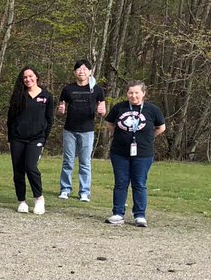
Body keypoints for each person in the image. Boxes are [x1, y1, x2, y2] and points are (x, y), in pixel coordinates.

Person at [104, 81, 165, 227]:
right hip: (119, 152)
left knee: (139, 183)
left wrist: (148, 138)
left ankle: (140, 215)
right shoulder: (119, 107)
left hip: (143, 153)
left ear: (143, 93)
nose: (134, 96)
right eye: (131, 93)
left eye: (137, 92)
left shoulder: (152, 109)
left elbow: (161, 128)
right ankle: (118, 213)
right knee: (120, 183)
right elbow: (109, 123)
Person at [7, 66, 55, 215]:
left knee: (31, 167)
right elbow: (10, 119)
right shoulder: (18, 95)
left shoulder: (47, 96)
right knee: (18, 170)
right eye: (25, 77)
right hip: (17, 138)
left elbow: (49, 120)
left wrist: (43, 138)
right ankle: (21, 200)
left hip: (36, 139)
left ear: (36, 77)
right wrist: (10, 138)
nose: (28, 79)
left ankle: (39, 198)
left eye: (30, 76)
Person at [57, 59, 106, 202]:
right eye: (79, 69)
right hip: (69, 130)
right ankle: (65, 189)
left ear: (90, 72)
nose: (82, 71)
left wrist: (101, 111)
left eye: (85, 69)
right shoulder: (67, 89)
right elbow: (60, 111)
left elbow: (102, 111)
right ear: (74, 72)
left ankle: (84, 192)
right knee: (68, 161)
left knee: (85, 162)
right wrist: (60, 110)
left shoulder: (97, 89)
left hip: (87, 131)